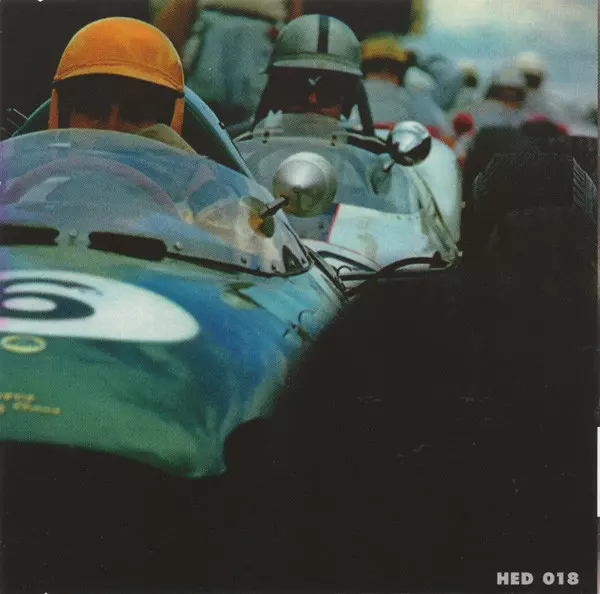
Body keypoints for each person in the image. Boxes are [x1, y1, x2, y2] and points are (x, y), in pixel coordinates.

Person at [49, 17, 195, 152]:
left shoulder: (193, 170)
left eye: (136, 114)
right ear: (64, 117)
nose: (112, 130)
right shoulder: (39, 170)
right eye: (93, 107)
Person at [248, 13, 366, 140]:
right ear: (277, 93)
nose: (312, 100)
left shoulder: (367, 151)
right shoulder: (245, 148)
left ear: (348, 98)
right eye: (298, 86)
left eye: (328, 89)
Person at [357, 34, 459, 139]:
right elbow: (444, 132)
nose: (384, 73)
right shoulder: (416, 98)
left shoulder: (349, 97)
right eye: (375, 67)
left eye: (391, 68)